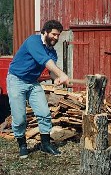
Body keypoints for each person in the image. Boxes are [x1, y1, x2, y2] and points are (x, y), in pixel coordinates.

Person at [7, 20, 69, 158]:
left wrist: (56, 77)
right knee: (20, 118)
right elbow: (45, 61)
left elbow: (50, 68)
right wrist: (62, 74)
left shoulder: (52, 51)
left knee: (44, 112)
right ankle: (22, 144)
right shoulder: (33, 41)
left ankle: (45, 145)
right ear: (45, 32)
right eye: (54, 34)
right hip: (16, 80)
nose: (56, 38)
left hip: (32, 82)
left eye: (58, 35)